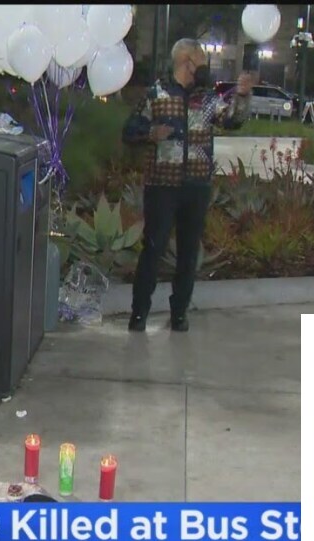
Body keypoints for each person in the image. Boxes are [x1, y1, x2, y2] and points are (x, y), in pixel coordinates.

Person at [122, 39, 253, 332]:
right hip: (162, 186)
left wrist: (242, 96)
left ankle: (179, 313)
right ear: (186, 61)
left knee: (188, 253)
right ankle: (139, 313)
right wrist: (150, 132)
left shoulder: (206, 99)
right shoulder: (156, 94)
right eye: (201, 58)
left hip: (197, 186)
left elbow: (232, 120)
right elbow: (129, 131)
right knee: (153, 249)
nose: (205, 64)